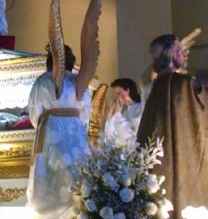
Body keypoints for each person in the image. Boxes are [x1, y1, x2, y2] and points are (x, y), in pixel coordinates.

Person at [137, 34, 208, 219]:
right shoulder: (184, 85)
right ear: (168, 54)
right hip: (188, 162)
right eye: (179, 49)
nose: (185, 54)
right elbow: (200, 119)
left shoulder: (157, 88)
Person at [26, 44, 91, 219]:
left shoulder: (42, 81)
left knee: (50, 171)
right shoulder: (79, 81)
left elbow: (34, 111)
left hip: (51, 130)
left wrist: (45, 122)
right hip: (75, 131)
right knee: (76, 170)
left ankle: (49, 212)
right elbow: (86, 113)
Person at [102, 77, 143, 147]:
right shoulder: (125, 112)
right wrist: (112, 114)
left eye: (119, 93)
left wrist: (118, 114)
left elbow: (129, 136)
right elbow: (109, 136)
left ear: (128, 90)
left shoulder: (140, 109)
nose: (117, 97)